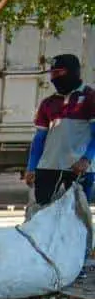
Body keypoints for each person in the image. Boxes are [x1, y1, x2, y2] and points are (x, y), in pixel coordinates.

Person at [25, 54, 95, 206]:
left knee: (77, 218)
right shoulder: (48, 103)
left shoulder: (90, 98)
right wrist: (31, 167)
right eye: (53, 74)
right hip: (48, 168)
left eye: (59, 73)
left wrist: (85, 160)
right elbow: (39, 139)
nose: (54, 78)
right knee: (42, 215)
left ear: (73, 72)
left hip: (79, 169)